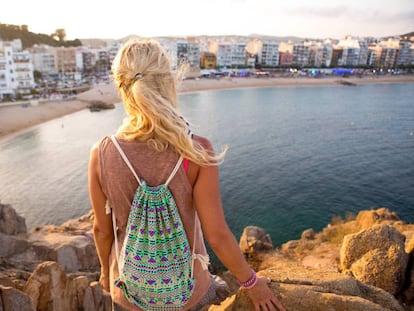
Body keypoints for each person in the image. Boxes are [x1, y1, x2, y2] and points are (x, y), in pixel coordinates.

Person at [88, 37, 285, 311]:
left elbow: (101, 230)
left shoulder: (102, 152)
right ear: (168, 82)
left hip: (129, 291)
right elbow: (216, 234)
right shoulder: (196, 150)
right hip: (187, 295)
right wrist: (252, 283)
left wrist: (103, 271)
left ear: (122, 86)